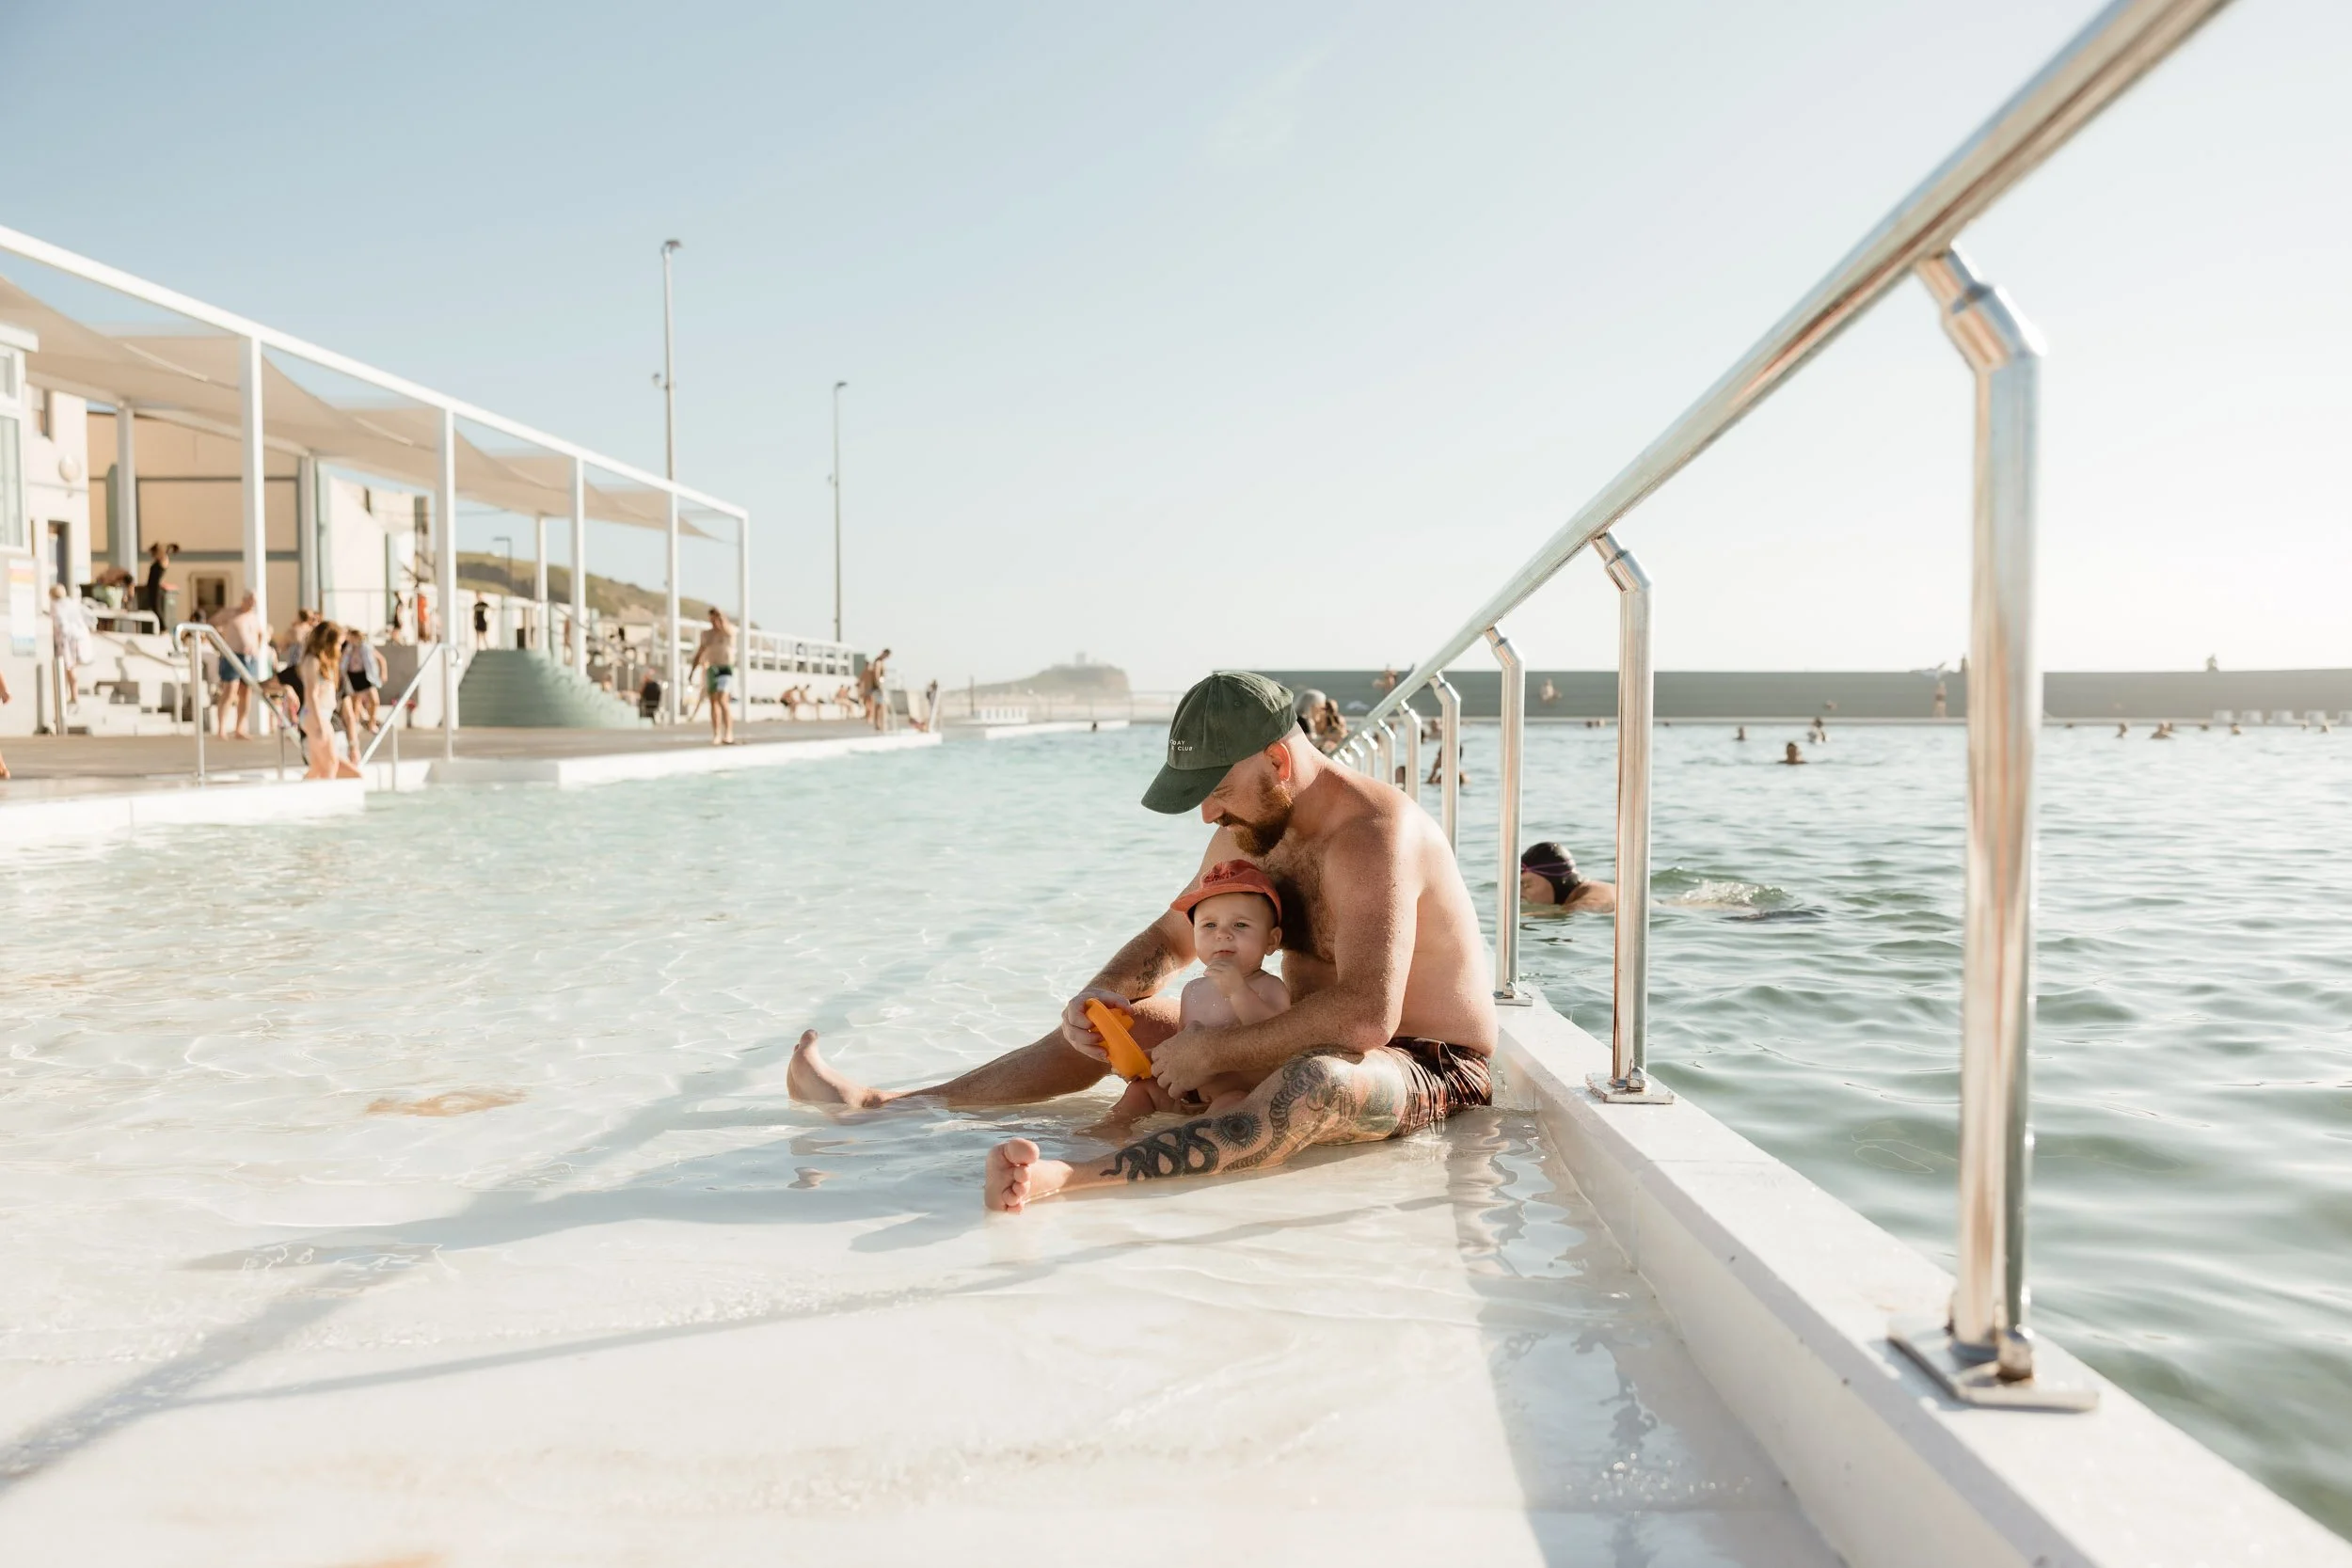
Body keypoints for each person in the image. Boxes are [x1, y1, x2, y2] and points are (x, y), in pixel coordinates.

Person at [786, 670, 1499, 1214]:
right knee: (1108, 1025)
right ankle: (891, 1108)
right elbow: (1173, 934)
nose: (1207, 814)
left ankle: (1065, 1179)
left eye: (1215, 790)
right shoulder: (1253, 825)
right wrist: (1100, 991)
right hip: (1292, 1029)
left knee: (1312, 1083)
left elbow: (1366, 1015)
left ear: (1278, 764)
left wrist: (1215, 1051)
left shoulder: (1373, 837)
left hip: (1422, 1062)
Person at [1102, 859, 1293, 1123]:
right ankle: (1113, 1127)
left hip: (1242, 1093)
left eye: (1240, 925)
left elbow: (1275, 1040)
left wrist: (1238, 989)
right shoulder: (1192, 990)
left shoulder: (1269, 986)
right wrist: (1145, 1062)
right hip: (1192, 1094)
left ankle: (1194, 1139)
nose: (1222, 934)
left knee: (1233, 1105)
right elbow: (1179, 1046)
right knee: (1141, 1090)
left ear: (1271, 940)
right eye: (1209, 925)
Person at [297, 622, 361, 779]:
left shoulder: (324, 662)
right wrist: (319, 723)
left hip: (321, 714)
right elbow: (311, 694)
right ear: (328, 642)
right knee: (331, 763)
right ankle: (327, 797)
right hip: (315, 714)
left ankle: (305, 794)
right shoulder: (312, 661)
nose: (340, 648)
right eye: (338, 644)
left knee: (318, 766)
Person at [209, 592, 267, 740]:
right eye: (251, 601)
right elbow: (211, 624)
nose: (253, 604)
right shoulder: (231, 613)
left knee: (246, 692)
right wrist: (219, 644)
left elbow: (260, 634)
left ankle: (239, 728)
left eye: (255, 602)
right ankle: (221, 728)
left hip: (250, 658)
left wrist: (257, 648)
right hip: (232, 655)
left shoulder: (254, 617)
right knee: (230, 690)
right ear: (244, 600)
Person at [688, 608, 739, 746]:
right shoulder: (707, 635)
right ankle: (717, 734)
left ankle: (728, 733)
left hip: (726, 668)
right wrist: (692, 671)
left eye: (718, 618)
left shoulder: (729, 632)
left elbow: (727, 627)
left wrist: (721, 617)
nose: (715, 621)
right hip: (712, 668)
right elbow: (700, 652)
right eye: (713, 618)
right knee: (713, 701)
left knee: (723, 700)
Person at [1519, 842, 1615, 914]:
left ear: (1555, 881)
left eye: (1526, 885)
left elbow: (1593, 906)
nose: (1519, 892)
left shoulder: (1598, 892)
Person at [47, 583, 91, 711]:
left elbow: (61, 624)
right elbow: (87, 617)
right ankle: (73, 694)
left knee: (68, 668)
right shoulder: (72, 603)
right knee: (70, 668)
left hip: (66, 641)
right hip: (77, 639)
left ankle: (72, 695)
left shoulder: (56, 606)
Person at [342, 631, 386, 740]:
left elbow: (381, 659)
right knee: (355, 702)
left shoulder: (366, 647)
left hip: (365, 675)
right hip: (353, 676)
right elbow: (342, 663)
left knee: (374, 700)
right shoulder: (348, 649)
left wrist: (383, 673)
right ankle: (355, 726)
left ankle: (372, 722)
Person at [137, 542, 178, 626]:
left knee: (156, 608)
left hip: (155, 588)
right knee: (149, 607)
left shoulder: (163, 560)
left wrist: (164, 548)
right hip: (150, 587)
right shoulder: (158, 561)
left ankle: (163, 627)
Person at [857, 648, 893, 730]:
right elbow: (876, 674)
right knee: (879, 705)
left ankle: (879, 723)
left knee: (879, 705)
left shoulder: (879, 662)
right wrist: (878, 685)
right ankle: (878, 724)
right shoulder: (878, 662)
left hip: (876, 686)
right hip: (877, 687)